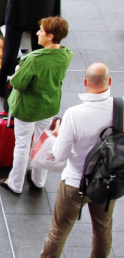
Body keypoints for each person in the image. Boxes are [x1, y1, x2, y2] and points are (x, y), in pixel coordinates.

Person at [39, 63, 116, 257]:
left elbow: (60, 155)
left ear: (85, 83)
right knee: (103, 230)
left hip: (76, 183)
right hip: (108, 180)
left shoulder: (74, 114)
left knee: (59, 230)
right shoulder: (121, 109)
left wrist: (56, 134)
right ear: (110, 81)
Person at [1, 16, 73, 195]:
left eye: (41, 30)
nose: (37, 33)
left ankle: (16, 183)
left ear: (50, 36)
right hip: (49, 105)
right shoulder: (66, 54)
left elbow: (18, 83)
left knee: (22, 145)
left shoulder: (34, 60)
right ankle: (39, 180)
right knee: (43, 141)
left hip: (28, 108)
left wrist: (18, 71)